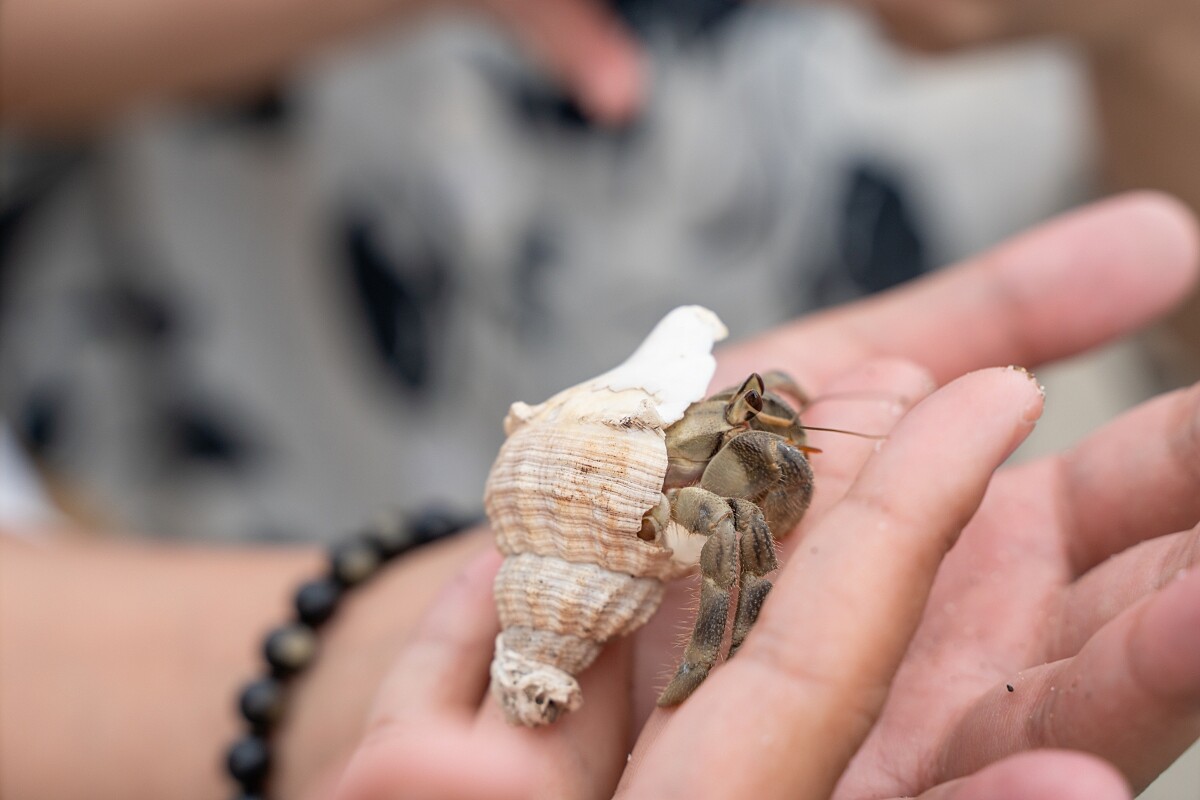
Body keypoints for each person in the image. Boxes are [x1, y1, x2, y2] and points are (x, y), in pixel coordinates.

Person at [3, 192, 1198, 799]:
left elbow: (753, 419)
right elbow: (726, 497)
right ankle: (703, 658)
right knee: (728, 519)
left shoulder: (732, 421)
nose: (763, 424)